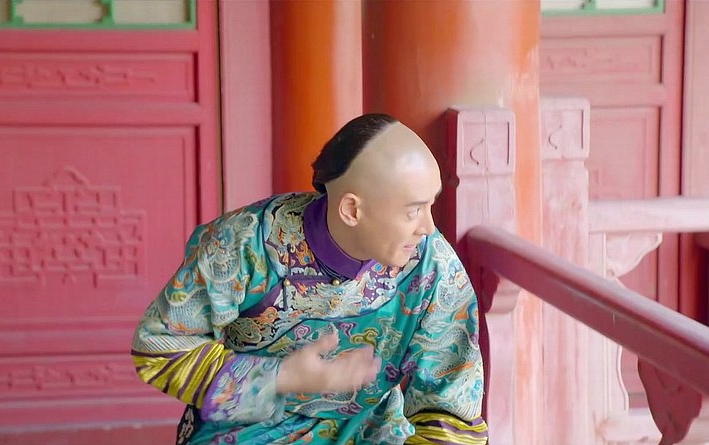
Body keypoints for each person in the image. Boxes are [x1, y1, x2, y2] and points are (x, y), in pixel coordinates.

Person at [131, 113, 487, 444]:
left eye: (430, 205)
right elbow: (158, 347)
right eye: (413, 211)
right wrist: (281, 377)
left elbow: (452, 407)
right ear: (351, 209)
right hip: (248, 428)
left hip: (369, 429)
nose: (428, 227)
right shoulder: (243, 244)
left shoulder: (432, 264)